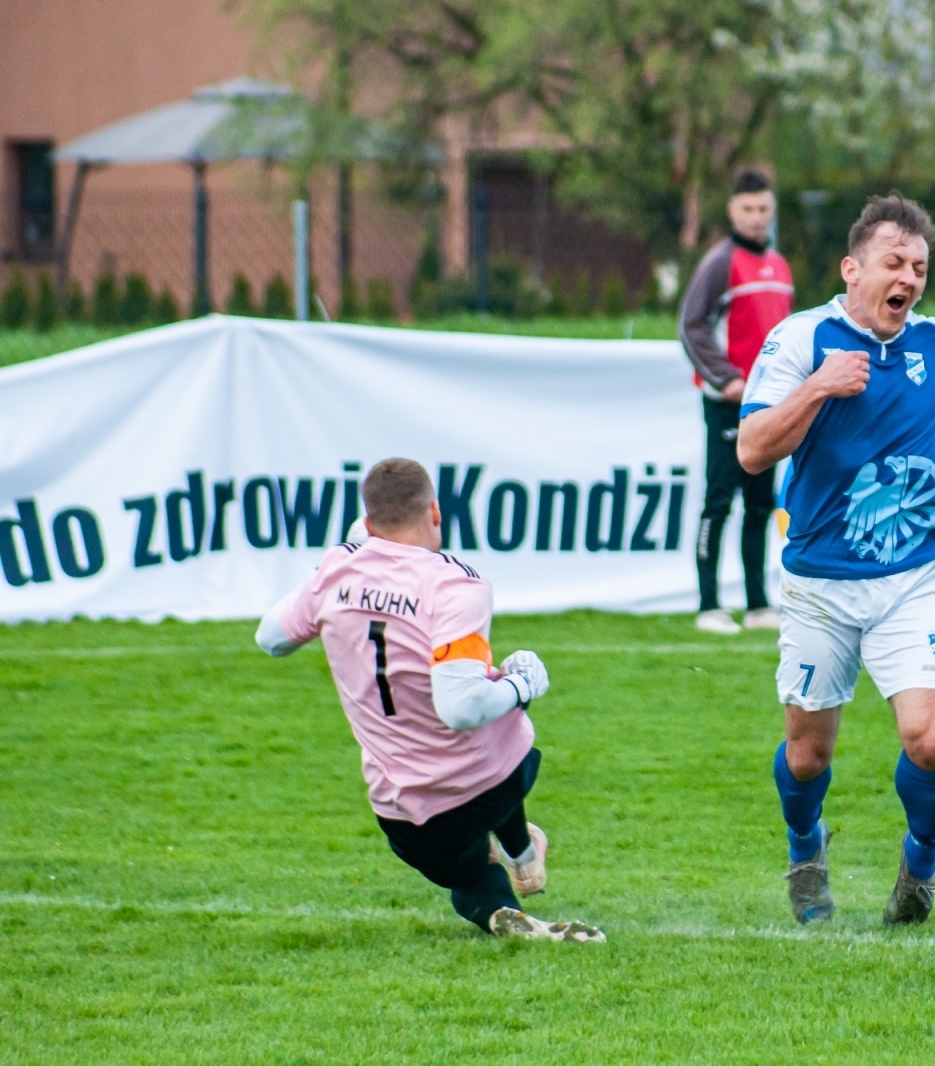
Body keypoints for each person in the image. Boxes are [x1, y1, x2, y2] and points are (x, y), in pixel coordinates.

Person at [737, 193, 935, 925]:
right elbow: (751, 450)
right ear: (852, 269)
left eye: (919, 267)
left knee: (930, 739)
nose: (907, 277)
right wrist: (820, 386)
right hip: (820, 582)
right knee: (808, 755)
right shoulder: (801, 340)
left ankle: (921, 864)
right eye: (893, 262)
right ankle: (806, 849)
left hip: (914, 578)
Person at [254, 458, 603, 943]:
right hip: (487, 785)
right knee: (503, 704)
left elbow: (270, 638)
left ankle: (505, 901)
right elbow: (461, 709)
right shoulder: (456, 583)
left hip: (403, 816)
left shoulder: (337, 571)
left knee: (469, 877)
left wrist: (332, 567)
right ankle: (523, 852)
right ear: (436, 513)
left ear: (370, 524)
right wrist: (524, 684)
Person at [677, 168, 795, 635]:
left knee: (761, 505)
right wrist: (725, 377)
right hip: (729, 403)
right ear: (732, 211)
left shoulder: (780, 266)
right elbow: (691, 325)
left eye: (763, 208)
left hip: (770, 404)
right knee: (719, 501)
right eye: (747, 209)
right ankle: (709, 604)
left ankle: (758, 603)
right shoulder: (720, 262)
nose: (755, 217)